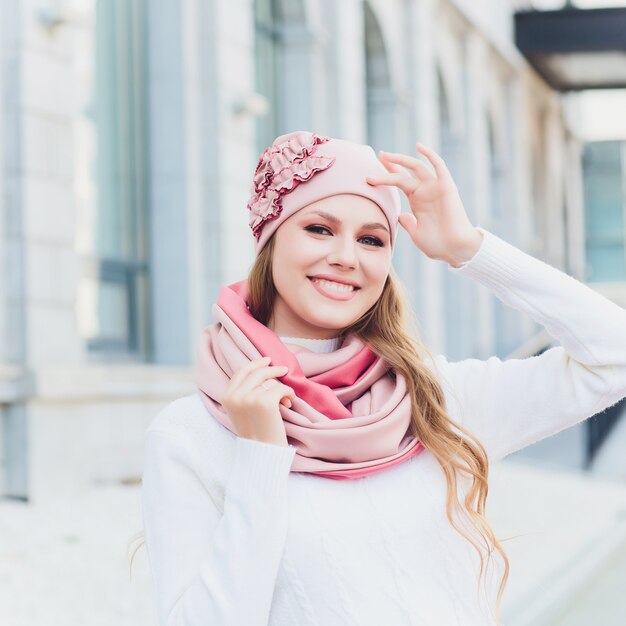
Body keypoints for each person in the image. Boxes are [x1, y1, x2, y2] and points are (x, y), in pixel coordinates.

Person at [140, 130, 626, 626]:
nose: (347, 257)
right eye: (319, 229)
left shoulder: (436, 399)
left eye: (372, 239)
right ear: (271, 240)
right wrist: (260, 457)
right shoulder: (191, 434)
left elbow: (615, 356)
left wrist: (468, 248)